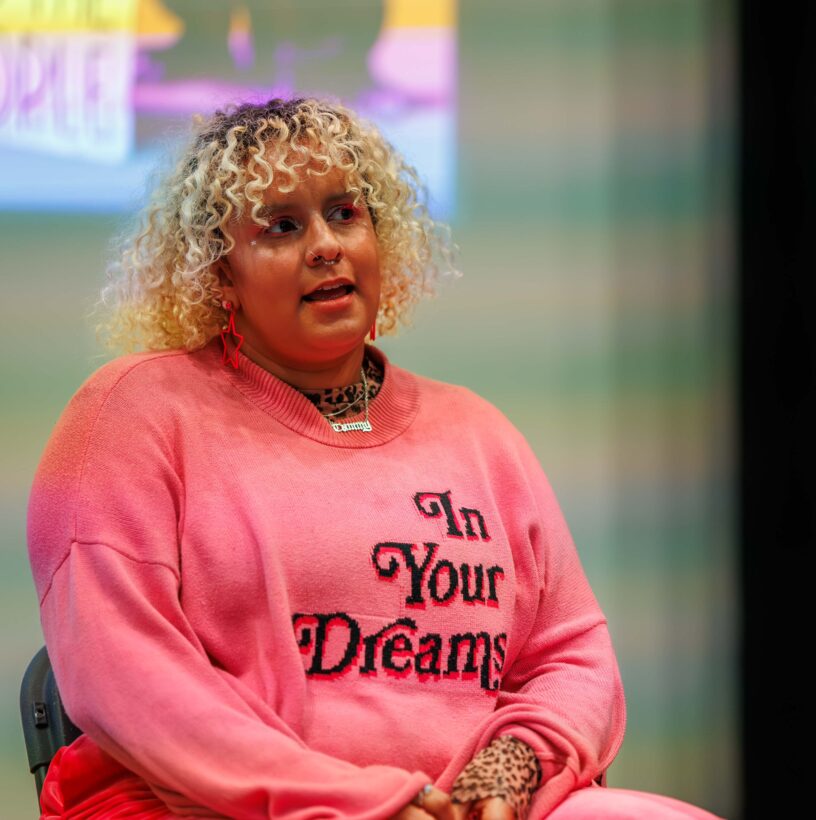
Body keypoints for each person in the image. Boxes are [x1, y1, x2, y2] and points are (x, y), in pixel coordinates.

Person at [27, 97, 717, 820]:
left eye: (346, 214)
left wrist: (510, 769)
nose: (325, 244)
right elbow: (131, 681)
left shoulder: (479, 433)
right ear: (217, 273)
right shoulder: (130, 413)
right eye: (282, 226)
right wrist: (361, 801)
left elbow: (571, 656)